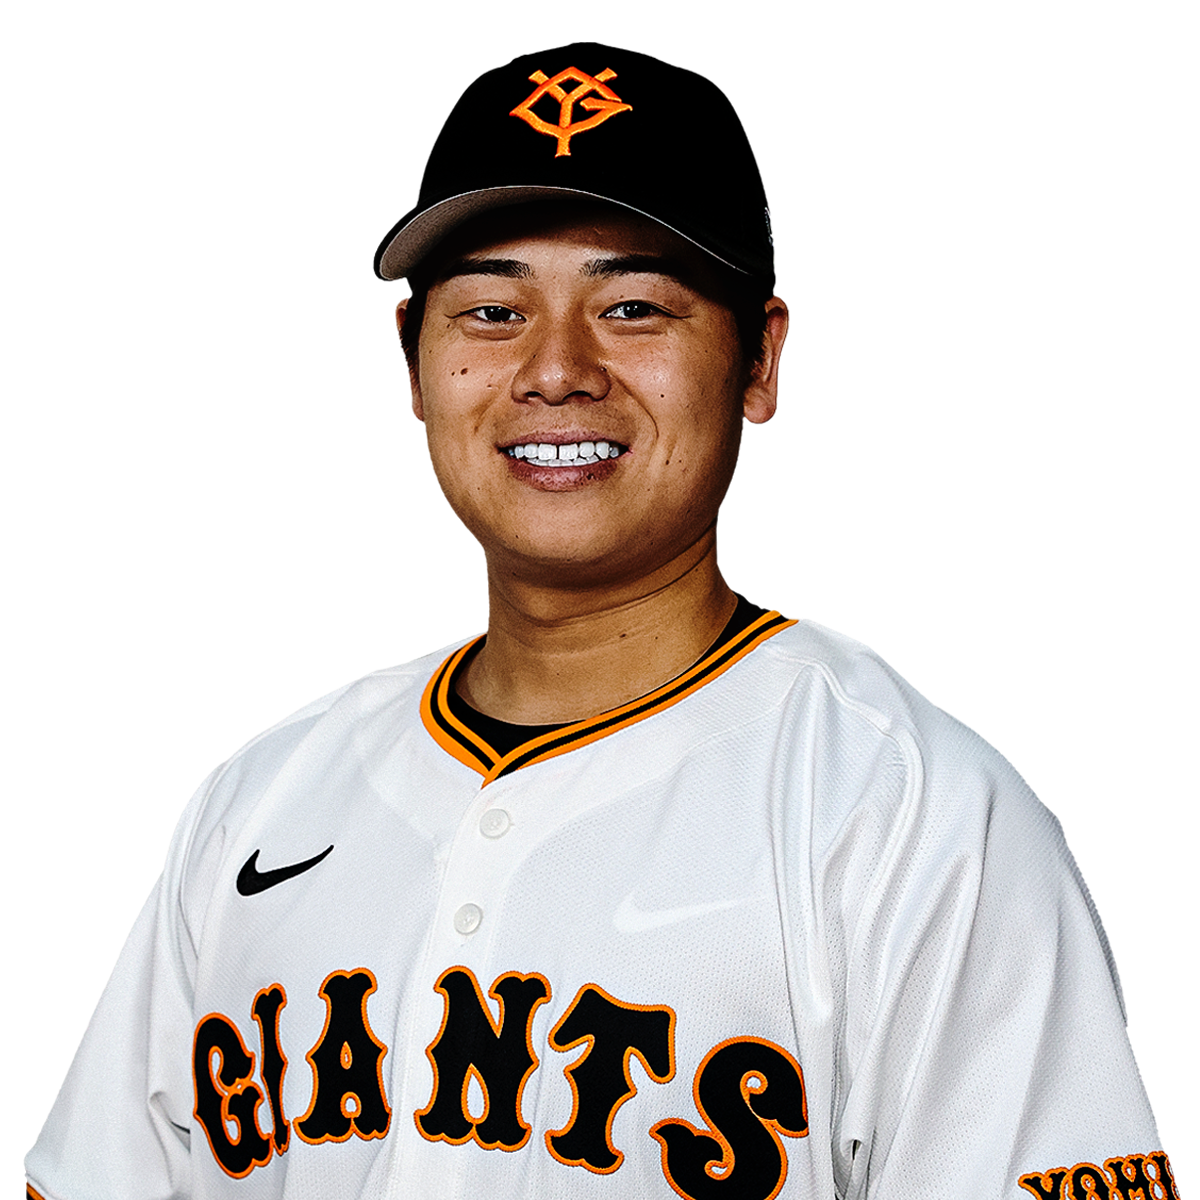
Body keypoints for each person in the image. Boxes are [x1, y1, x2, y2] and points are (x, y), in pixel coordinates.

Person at [25, 60, 1178, 1200]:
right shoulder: (261, 799)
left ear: (761, 359)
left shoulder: (914, 817)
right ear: (413, 366)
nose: (556, 371)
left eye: (634, 308)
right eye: (492, 311)